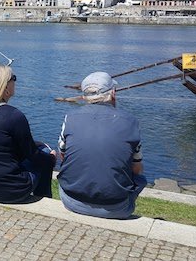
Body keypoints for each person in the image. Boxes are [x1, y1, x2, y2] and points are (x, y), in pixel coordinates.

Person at [57, 71, 146, 219]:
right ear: (113, 93)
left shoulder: (70, 118)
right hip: (117, 206)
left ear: (84, 96)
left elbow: (63, 155)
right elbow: (136, 169)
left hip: (72, 201)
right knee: (141, 178)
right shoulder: (130, 122)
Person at [0, 63, 56, 204]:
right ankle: (44, 198)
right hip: (9, 190)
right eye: (13, 78)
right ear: (5, 87)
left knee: (39, 148)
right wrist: (51, 160)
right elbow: (32, 155)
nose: (15, 81)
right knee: (45, 153)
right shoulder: (13, 115)